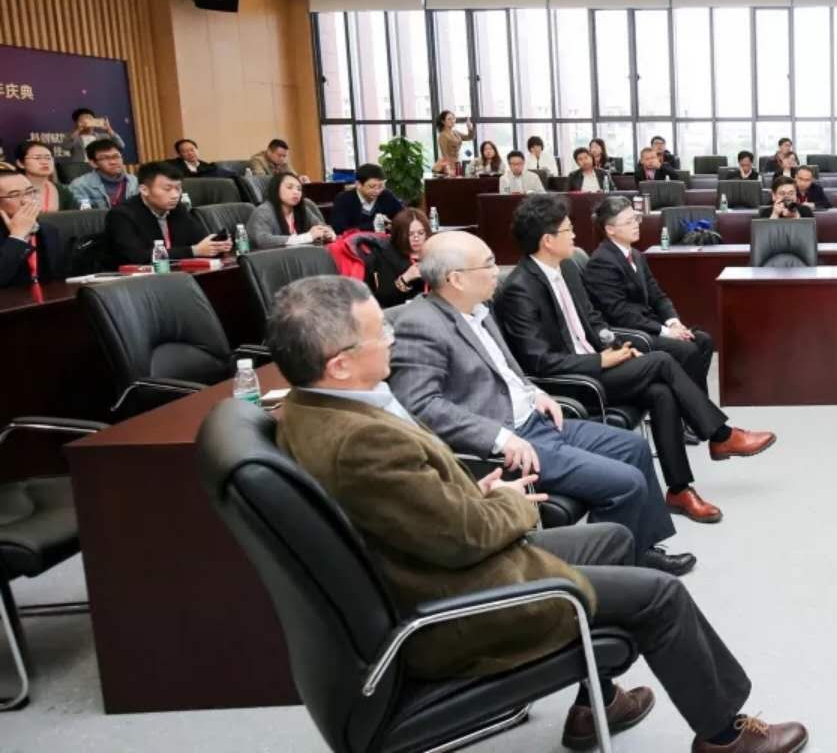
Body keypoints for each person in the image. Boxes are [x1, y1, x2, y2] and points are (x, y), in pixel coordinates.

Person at [268, 275, 807, 752]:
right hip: (461, 603)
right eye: (378, 333)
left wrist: (467, 489)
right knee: (660, 595)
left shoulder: (312, 408)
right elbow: (464, 537)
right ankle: (724, 736)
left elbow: (410, 507)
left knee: (615, 539)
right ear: (340, 363)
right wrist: (507, 501)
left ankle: (595, 702)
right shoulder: (361, 441)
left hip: (444, 564)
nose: (392, 339)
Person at [389, 234, 691, 574]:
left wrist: (535, 393)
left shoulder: (479, 310)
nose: (497, 271)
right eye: (488, 264)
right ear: (455, 279)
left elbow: (506, 372)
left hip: (537, 420)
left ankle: (639, 551)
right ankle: (604, 575)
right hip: (509, 441)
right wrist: (499, 437)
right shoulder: (421, 324)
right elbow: (421, 405)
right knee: (626, 482)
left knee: (634, 447)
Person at [493, 199, 777, 525]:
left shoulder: (566, 269)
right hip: (574, 382)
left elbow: (594, 320)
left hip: (598, 362)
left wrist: (619, 347)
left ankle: (679, 490)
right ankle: (720, 435)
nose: (575, 235)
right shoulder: (520, 289)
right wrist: (601, 360)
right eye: (568, 230)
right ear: (547, 240)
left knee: (662, 393)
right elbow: (540, 362)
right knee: (662, 362)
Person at [584, 197, 715, 392]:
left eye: (636, 218)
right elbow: (621, 313)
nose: (636, 224)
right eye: (628, 222)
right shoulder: (601, 261)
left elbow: (657, 295)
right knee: (687, 349)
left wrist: (673, 322)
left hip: (649, 325)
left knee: (703, 341)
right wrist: (666, 332)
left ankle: (691, 400)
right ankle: (693, 403)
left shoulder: (636, 255)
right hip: (631, 333)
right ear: (610, 229)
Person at [103, 161, 234, 267]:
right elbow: (137, 257)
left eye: (178, 188)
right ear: (144, 190)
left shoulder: (177, 208)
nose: (175, 195)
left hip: (175, 273)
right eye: (167, 189)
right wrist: (194, 251)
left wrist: (216, 245)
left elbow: (198, 239)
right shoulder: (121, 215)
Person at [0, 165, 65, 286]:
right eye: (14, 195)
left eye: (30, 192)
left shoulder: (48, 230)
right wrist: (17, 236)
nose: (26, 201)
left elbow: (59, 280)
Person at [248, 172, 337, 249]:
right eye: (289, 187)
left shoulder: (302, 209)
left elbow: (320, 226)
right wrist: (306, 237)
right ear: (276, 189)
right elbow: (262, 240)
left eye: (299, 189)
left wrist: (328, 234)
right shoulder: (263, 211)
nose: (296, 192)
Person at [365, 208, 430, 308]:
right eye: (410, 234)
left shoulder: (433, 251)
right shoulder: (387, 255)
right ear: (399, 235)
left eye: (421, 233)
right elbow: (383, 298)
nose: (416, 238)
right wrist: (406, 278)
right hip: (399, 309)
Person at [328, 163, 405, 234]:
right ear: (358, 184)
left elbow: (403, 216)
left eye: (381, 186)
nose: (377, 191)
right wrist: (374, 226)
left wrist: (392, 224)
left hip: (383, 241)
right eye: (372, 187)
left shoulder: (386, 196)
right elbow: (339, 229)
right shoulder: (344, 199)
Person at [67, 139, 138, 210]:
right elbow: (85, 215)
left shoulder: (134, 181)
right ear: (93, 163)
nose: (113, 162)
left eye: (116, 156)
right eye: (106, 158)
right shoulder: (80, 186)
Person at [14, 141, 71, 212]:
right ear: (20, 163)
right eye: (37, 158)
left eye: (48, 158)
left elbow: (78, 215)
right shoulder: (10, 191)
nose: (44, 162)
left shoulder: (62, 190)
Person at [434, 110, 470, 176]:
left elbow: (469, 137)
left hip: (457, 162)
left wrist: (469, 127)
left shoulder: (455, 132)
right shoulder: (443, 135)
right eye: (449, 119)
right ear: (443, 121)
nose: (452, 121)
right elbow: (444, 154)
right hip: (449, 165)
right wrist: (449, 169)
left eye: (453, 118)